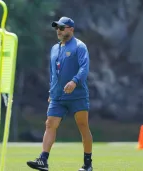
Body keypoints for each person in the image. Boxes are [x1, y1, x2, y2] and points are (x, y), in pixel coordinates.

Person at [26, 17, 93, 171]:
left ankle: (88, 164)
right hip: (58, 96)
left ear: (71, 29)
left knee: (83, 126)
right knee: (50, 124)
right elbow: (53, 73)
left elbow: (84, 68)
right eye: (57, 28)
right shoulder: (55, 48)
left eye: (62, 28)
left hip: (78, 94)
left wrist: (74, 81)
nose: (58, 30)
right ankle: (43, 160)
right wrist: (52, 90)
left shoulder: (80, 46)